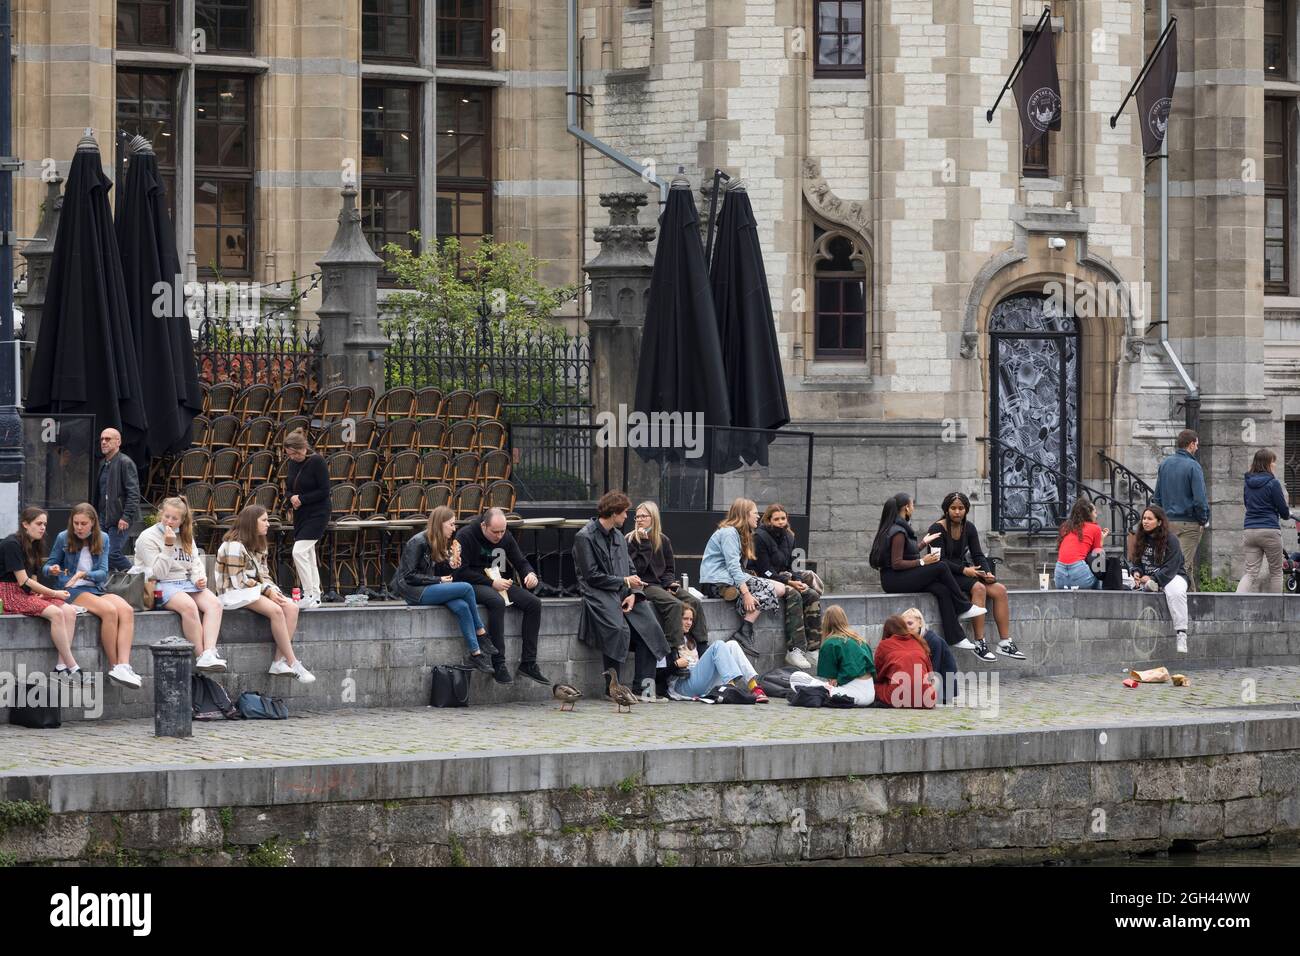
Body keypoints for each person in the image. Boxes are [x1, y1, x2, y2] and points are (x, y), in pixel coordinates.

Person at [574, 491, 671, 701]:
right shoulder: (585, 536)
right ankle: (612, 689)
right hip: (598, 592)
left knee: (650, 628)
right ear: (614, 513)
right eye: (625, 513)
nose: (628, 517)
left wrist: (634, 592)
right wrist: (625, 582)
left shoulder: (618, 535)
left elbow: (630, 567)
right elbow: (591, 576)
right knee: (617, 629)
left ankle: (643, 689)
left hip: (624, 591)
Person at [868, 492, 989, 660]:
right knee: (940, 566)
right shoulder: (898, 532)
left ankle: (957, 637)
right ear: (907, 508)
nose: (914, 508)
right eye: (913, 505)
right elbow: (896, 563)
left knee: (941, 589)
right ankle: (963, 606)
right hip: (894, 580)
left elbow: (907, 553)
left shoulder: (900, 528)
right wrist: (923, 562)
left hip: (899, 577)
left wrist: (924, 542)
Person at [699, 497, 811, 669]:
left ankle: (745, 628)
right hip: (717, 580)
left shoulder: (741, 534)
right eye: (754, 513)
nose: (758, 517)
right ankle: (744, 627)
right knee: (776, 588)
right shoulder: (729, 533)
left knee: (779, 587)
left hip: (730, 578)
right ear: (744, 515)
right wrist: (747, 595)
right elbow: (733, 567)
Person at [43, 503, 141, 688]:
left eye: (83, 523)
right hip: (70, 589)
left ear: (93, 523)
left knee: (126, 610)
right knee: (109, 611)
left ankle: (124, 665)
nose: (79, 528)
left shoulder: (102, 538)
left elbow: (103, 573)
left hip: (95, 587)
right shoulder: (63, 537)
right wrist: (53, 569)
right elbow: (46, 567)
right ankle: (114, 667)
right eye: (76, 523)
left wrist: (84, 574)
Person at [214, 505, 315, 683]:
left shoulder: (259, 544)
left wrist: (273, 590)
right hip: (232, 592)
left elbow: (264, 574)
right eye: (264, 520)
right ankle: (293, 662)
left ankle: (278, 661)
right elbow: (238, 581)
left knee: (291, 607)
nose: (268, 524)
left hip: (254, 590)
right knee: (276, 611)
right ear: (252, 523)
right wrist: (266, 591)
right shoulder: (234, 546)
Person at [391, 505, 495, 674]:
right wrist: (438, 580)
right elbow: (408, 576)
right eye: (452, 524)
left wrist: (451, 565)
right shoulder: (417, 542)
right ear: (440, 524)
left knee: (461, 606)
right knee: (467, 588)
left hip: (429, 587)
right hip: (413, 591)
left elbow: (439, 571)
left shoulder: (438, 541)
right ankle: (482, 634)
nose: (454, 529)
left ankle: (476, 654)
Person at [452, 507, 548, 685]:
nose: (499, 536)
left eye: (502, 531)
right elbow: (459, 572)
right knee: (497, 602)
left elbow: (520, 560)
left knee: (534, 603)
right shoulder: (465, 536)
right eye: (495, 532)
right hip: (473, 584)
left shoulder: (505, 536)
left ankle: (529, 663)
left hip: (497, 581)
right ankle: (499, 663)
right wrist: (491, 583)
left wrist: (530, 574)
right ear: (483, 526)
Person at [927, 492, 1022, 659]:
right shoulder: (937, 529)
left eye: (961, 508)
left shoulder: (969, 527)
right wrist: (965, 571)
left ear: (966, 510)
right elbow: (937, 561)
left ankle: (1005, 643)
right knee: (978, 588)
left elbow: (978, 554)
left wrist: (987, 573)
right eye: (953, 508)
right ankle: (980, 642)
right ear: (946, 510)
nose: (957, 512)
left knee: (1000, 590)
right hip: (945, 574)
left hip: (965, 571)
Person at [135, 496, 226, 672]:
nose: (169, 521)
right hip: (156, 585)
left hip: (184, 582)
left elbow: (195, 563)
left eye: (174, 518)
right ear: (160, 514)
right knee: (189, 606)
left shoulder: (186, 536)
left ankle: (209, 652)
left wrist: (199, 579)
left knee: (215, 604)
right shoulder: (147, 537)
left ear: (182, 520)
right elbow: (157, 573)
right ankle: (201, 656)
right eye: (166, 516)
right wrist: (168, 546)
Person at [0, 507, 83, 679]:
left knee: (69, 611)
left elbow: (34, 578)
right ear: (25, 524)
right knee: (56, 613)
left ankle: (60, 667)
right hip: (9, 594)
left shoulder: (35, 544)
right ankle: (73, 666)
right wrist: (54, 593)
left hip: (27, 593)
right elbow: (23, 580)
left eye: (44, 524)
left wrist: (41, 595)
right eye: (38, 524)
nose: (43, 527)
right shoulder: (11, 544)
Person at [625, 500, 708, 651]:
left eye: (644, 516)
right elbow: (637, 569)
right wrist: (644, 544)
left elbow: (669, 569)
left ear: (653, 517)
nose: (639, 520)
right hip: (644, 585)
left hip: (662, 584)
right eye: (637, 517)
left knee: (695, 602)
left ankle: (702, 646)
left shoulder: (663, 540)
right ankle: (675, 651)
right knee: (674, 605)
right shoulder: (630, 540)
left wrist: (670, 583)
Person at [752, 503, 823, 652]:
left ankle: (814, 648)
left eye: (783, 518)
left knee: (812, 595)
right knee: (795, 594)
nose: (780, 522)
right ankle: (796, 648)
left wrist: (797, 580)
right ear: (768, 520)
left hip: (785, 577)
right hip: (765, 578)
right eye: (776, 519)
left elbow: (793, 565)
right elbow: (765, 570)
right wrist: (790, 582)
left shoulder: (790, 537)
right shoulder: (759, 537)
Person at [1129, 505, 1191, 654]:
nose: (1145, 521)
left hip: (1173, 576)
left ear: (1159, 522)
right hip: (1147, 579)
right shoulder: (1140, 538)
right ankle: (1152, 586)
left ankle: (1181, 633)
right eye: (1144, 518)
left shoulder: (1171, 540)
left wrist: (1152, 578)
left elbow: (1171, 567)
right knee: (1123, 579)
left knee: (1175, 592)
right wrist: (1136, 572)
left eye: (1149, 519)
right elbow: (1136, 562)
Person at [788, 605, 876, 706]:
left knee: (796, 677)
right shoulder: (861, 640)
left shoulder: (831, 643)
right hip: (870, 694)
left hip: (851, 694)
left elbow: (831, 680)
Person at [1152, 429, 1209, 580]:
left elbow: (1157, 498)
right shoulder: (1193, 466)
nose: (1197, 448)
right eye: (1196, 444)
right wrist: (1203, 519)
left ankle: (1194, 602)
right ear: (1191, 444)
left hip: (1168, 522)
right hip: (1188, 523)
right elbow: (1200, 499)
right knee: (1180, 568)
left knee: (1183, 566)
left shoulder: (1165, 464)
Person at [1237, 448, 1295, 594]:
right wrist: (1287, 513)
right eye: (1273, 462)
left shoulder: (1247, 482)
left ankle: (1235, 606)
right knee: (1276, 572)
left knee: (1250, 573)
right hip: (1269, 530)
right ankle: (1275, 614)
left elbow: (1247, 504)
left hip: (1249, 530)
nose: (1274, 465)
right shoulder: (1273, 483)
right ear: (1268, 463)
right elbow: (1283, 510)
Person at [283, 429, 329, 608]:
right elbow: (288, 488)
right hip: (301, 514)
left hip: (318, 513)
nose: (291, 457)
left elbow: (324, 491)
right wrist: (291, 497)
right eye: (289, 455)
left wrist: (302, 498)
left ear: (301, 449)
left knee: (299, 552)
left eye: (293, 454)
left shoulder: (317, 461)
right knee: (308, 554)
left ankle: (309, 592)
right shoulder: (293, 463)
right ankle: (315, 596)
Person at [663, 636, 769, 703]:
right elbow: (658, 675)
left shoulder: (692, 639)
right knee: (718, 644)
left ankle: (754, 688)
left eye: (691, 619)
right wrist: (675, 665)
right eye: (685, 619)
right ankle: (730, 689)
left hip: (702, 682)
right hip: (683, 684)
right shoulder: (670, 641)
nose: (688, 622)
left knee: (732, 644)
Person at [96, 427, 140, 572]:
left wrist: (126, 517)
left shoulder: (125, 462)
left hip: (120, 518)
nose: (103, 442)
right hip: (103, 518)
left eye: (108, 439)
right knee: (101, 554)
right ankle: (110, 587)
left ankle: (138, 578)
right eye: (102, 439)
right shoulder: (103, 464)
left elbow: (133, 493)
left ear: (118, 442)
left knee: (112, 554)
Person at [874, 613, 938, 709]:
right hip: (926, 698)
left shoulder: (885, 645)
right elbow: (930, 675)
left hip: (898, 696)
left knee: (873, 688)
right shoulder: (919, 642)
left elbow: (877, 674)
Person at [900, 607, 960, 705]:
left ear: (920, 623)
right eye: (903, 624)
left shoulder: (933, 640)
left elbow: (934, 668)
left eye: (910, 623)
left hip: (943, 680)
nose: (906, 627)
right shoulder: (914, 638)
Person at [1054, 498, 1107, 590]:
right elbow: (1097, 555)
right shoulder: (1095, 528)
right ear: (1088, 514)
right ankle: (1100, 598)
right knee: (1100, 572)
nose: (1096, 515)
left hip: (1059, 576)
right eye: (1094, 512)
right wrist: (1101, 540)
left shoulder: (1066, 526)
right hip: (1080, 574)